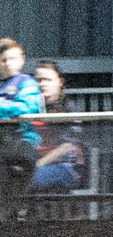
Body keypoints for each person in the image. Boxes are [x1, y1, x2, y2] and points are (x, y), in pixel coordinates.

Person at [0, 38, 44, 215]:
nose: (8, 63)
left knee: (18, 196)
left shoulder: (27, 83)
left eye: (12, 58)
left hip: (23, 145)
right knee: (3, 197)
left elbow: (24, 109)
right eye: (3, 59)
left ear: (22, 59)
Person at [30, 60, 86, 193]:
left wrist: (38, 164)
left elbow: (68, 146)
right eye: (39, 80)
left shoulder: (69, 108)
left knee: (28, 178)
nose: (42, 84)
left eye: (48, 79)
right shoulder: (30, 107)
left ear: (60, 82)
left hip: (67, 167)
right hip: (36, 165)